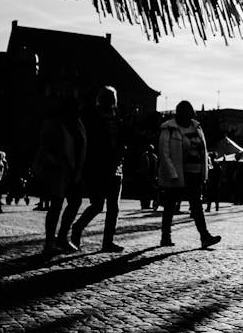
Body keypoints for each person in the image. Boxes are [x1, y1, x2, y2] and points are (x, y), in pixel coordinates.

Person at [63, 86, 125, 252]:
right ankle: (77, 228)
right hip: (96, 166)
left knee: (113, 207)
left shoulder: (117, 117)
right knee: (97, 204)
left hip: (115, 166)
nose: (110, 101)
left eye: (112, 98)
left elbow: (121, 139)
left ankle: (107, 242)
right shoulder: (91, 116)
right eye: (108, 98)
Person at [158, 101, 222, 249]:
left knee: (197, 206)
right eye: (186, 113)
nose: (189, 116)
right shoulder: (169, 128)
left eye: (190, 113)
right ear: (179, 114)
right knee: (169, 205)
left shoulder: (197, 127)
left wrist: (204, 172)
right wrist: (171, 173)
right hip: (177, 173)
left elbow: (203, 151)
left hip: (194, 173)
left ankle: (204, 236)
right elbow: (164, 153)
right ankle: (165, 236)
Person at [31, 97, 87, 257]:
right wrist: (57, 162)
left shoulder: (78, 123)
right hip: (58, 170)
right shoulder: (54, 123)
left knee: (75, 202)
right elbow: (45, 147)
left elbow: (82, 145)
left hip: (74, 170)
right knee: (56, 205)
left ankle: (62, 236)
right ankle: (50, 242)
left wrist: (79, 168)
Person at [139, 145, 159, 211]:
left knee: (151, 191)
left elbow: (156, 167)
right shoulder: (144, 156)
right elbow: (143, 167)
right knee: (145, 191)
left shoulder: (155, 157)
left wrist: (156, 176)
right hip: (145, 176)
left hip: (153, 176)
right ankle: (144, 204)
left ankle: (150, 204)